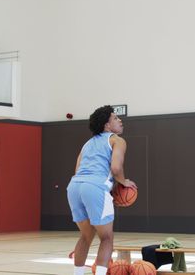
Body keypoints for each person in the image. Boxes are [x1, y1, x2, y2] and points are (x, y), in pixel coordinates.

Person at [67, 105, 137, 275]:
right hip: (95, 187)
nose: (120, 120)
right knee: (106, 238)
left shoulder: (87, 144)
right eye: (115, 118)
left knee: (85, 236)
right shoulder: (117, 140)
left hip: (74, 187)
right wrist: (123, 182)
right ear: (107, 125)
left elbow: (77, 170)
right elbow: (115, 168)